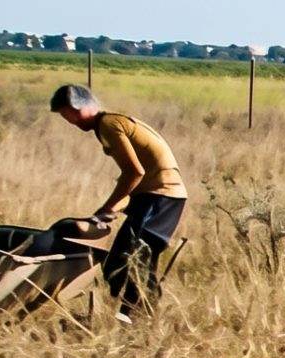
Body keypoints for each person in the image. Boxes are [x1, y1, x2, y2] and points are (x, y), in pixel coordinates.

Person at [49, 84, 186, 319]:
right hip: (158, 196)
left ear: (81, 107)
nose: (70, 121)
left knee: (126, 261)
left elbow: (135, 173)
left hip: (161, 196)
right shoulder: (111, 124)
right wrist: (111, 211)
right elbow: (138, 178)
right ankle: (139, 321)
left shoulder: (109, 125)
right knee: (134, 262)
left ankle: (136, 319)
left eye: (69, 114)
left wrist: (107, 208)